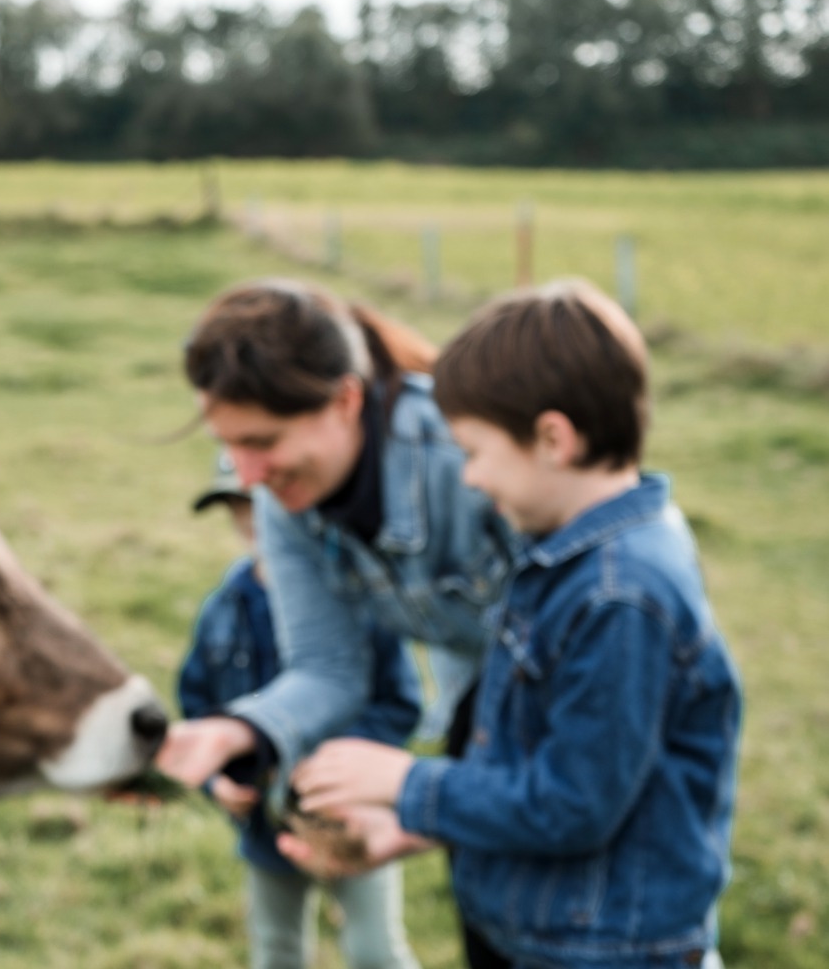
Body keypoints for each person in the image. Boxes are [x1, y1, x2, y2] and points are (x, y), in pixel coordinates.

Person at [283, 279, 742, 969]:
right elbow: (531, 764)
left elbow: (574, 803)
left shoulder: (620, 596)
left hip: (604, 949)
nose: (468, 479)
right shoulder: (566, 559)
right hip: (546, 931)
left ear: (553, 439)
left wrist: (409, 785)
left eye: (474, 452)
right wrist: (411, 823)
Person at [155, 277, 520, 969]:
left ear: (346, 400)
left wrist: (432, 798)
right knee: (500, 926)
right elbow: (328, 667)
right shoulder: (281, 499)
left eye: (263, 442)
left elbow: (587, 629)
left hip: (577, 696)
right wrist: (238, 729)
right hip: (482, 705)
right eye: (231, 447)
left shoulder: (463, 459)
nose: (250, 474)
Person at [179, 450, 423, 969]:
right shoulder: (222, 610)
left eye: (257, 504)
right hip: (265, 832)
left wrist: (343, 769)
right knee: (277, 952)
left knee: (374, 950)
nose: (250, 520)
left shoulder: (356, 599)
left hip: (349, 820)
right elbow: (199, 710)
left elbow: (400, 703)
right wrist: (218, 783)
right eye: (236, 508)